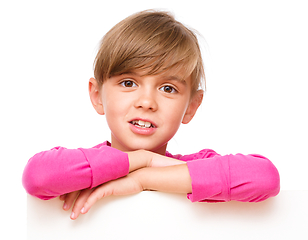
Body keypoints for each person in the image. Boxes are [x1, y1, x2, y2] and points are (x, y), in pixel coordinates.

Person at [22, 10, 280, 220]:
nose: (146, 102)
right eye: (128, 83)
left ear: (191, 106)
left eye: (168, 88)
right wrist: (142, 159)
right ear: (97, 95)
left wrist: (144, 177)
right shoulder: (77, 168)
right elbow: (38, 176)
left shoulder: (192, 166)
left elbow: (264, 178)